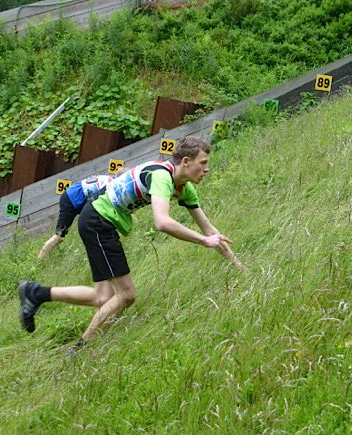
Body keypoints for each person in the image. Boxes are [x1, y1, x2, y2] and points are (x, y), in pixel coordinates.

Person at [19, 136, 244, 350]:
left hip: (99, 221)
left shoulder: (185, 189)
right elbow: (162, 222)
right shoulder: (161, 177)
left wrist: (238, 266)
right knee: (126, 295)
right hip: (98, 220)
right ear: (186, 162)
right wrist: (204, 241)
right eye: (203, 163)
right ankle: (80, 349)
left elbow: (210, 229)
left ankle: (36, 293)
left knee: (103, 297)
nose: (207, 169)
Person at [38, 173, 119, 259]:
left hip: (74, 195)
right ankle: (39, 260)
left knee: (98, 223)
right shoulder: (111, 185)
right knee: (59, 236)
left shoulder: (108, 179)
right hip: (71, 200)